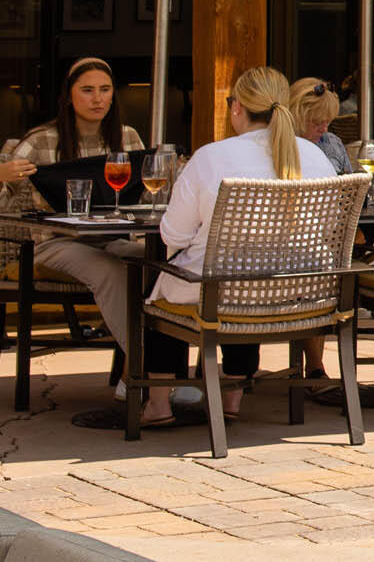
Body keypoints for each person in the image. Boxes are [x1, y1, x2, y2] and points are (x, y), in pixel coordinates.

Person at [135, 65, 340, 428]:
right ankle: (232, 398)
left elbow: (173, 236)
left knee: (166, 288)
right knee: (244, 273)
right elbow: (330, 230)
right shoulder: (316, 158)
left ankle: (158, 405)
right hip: (301, 289)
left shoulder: (212, 157)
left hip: (223, 289)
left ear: (237, 108)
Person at [0, 58, 148, 417]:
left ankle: (136, 372)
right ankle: (148, 371)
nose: (97, 99)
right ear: (69, 96)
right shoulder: (42, 139)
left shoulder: (128, 137)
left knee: (161, 266)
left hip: (111, 237)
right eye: (87, 90)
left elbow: (147, 195)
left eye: (104, 90)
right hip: (54, 245)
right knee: (112, 271)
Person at [288, 77, 358, 174]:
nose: (324, 129)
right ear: (296, 117)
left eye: (328, 122)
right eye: (317, 123)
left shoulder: (332, 142)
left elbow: (351, 186)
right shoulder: (281, 146)